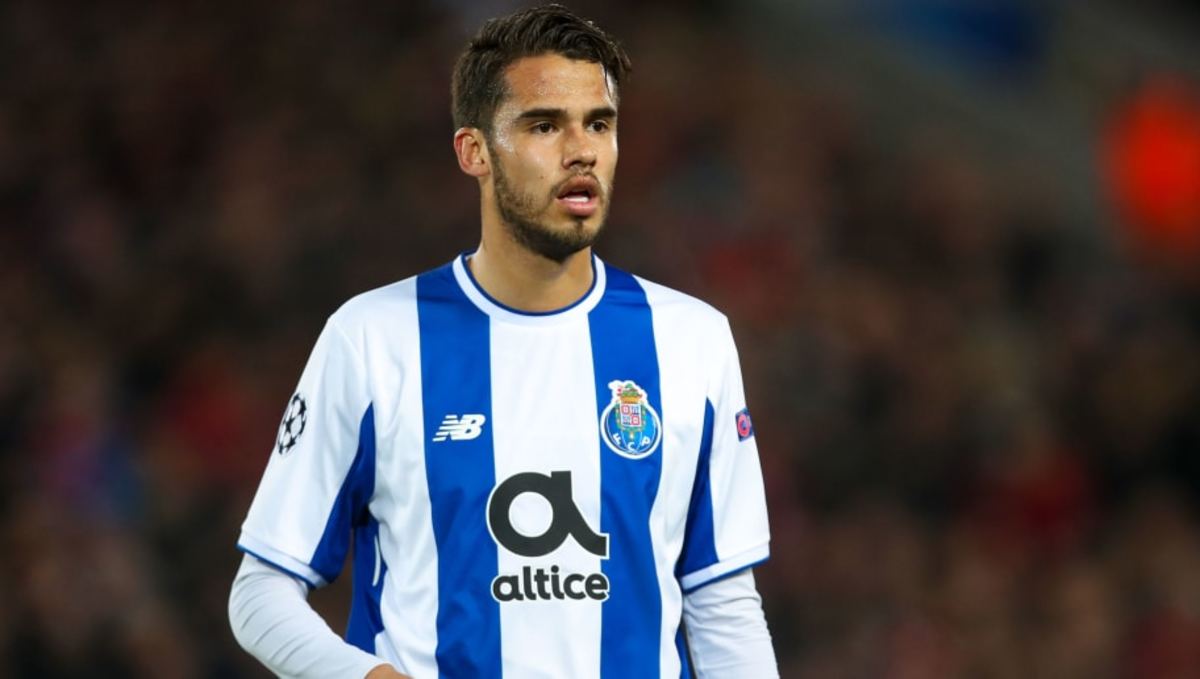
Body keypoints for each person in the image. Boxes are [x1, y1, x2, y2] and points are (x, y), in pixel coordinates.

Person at [227, 4, 777, 677]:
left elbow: (723, 606)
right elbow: (260, 593)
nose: (581, 150)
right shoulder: (372, 339)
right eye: (544, 125)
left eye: (598, 124)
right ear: (475, 152)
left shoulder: (692, 341)